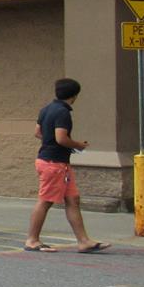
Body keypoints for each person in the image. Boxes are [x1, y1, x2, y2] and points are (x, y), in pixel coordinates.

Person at [25, 77, 110, 254]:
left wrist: (51, 142)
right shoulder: (63, 113)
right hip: (53, 163)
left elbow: (37, 133)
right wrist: (78, 145)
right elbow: (61, 138)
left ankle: (83, 241)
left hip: (55, 162)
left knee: (72, 199)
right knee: (46, 201)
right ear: (74, 96)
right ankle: (32, 240)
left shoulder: (46, 109)